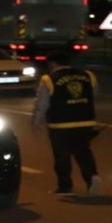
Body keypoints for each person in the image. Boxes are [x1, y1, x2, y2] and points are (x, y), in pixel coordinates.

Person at [31, 50, 103, 197]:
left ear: (52, 63)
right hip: (85, 121)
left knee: (62, 155)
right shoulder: (88, 75)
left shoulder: (49, 79)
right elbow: (94, 94)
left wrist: (36, 121)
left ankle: (65, 187)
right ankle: (92, 177)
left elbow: (42, 103)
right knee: (83, 151)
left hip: (60, 124)